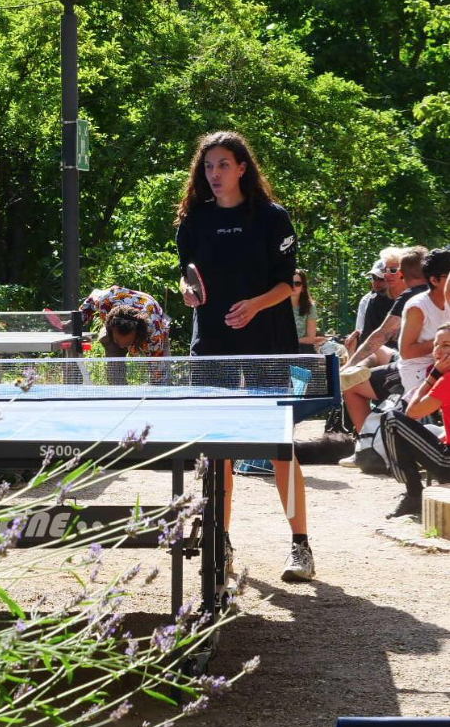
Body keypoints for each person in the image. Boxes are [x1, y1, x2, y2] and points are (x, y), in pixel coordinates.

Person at [175, 130, 314, 582]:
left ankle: (300, 547)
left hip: (267, 343)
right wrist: (188, 292)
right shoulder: (194, 220)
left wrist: (255, 304)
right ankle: (221, 544)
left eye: (222, 165)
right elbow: (186, 277)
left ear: (242, 168)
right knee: (219, 451)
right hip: (211, 346)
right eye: (208, 166)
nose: (214, 174)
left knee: (279, 448)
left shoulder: (272, 218)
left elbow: (286, 284)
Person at [340, 246, 432, 456]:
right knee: (376, 353)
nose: (385, 275)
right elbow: (377, 341)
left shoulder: (413, 297)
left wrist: (348, 366)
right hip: (421, 361)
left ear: (403, 272)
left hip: (417, 369)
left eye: (392, 270)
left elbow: (382, 335)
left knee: (350, 385)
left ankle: (369, 448)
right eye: (384, 270)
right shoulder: (431, 292)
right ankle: (355, 371)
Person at [381, 321, 450, 518]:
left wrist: (433, 375)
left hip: (447, 464)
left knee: (392, 420)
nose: (438, 350)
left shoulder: (446, 380)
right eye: (436, 344)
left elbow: (412, 412)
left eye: (446, 345)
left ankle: (413, 493)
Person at [79, 286, 170, 357]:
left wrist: (158, 380)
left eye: (127, 343)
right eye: (118, 341)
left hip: (153, 325)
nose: (122, 346)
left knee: (162, 370)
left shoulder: (154, 333)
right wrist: (77, 322)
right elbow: (91, 300)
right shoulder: (105, 300)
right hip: (114, 320)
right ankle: (117, 379)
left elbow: (159, 370)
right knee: (110, 347)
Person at [291, 269, 323, 352]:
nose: (293, 286)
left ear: (303, 287)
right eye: (290, 283)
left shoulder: (310, 307)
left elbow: (311, 338)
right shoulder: (275, 306)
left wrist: (290, 342)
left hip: (300, 348)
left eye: (297, 283)